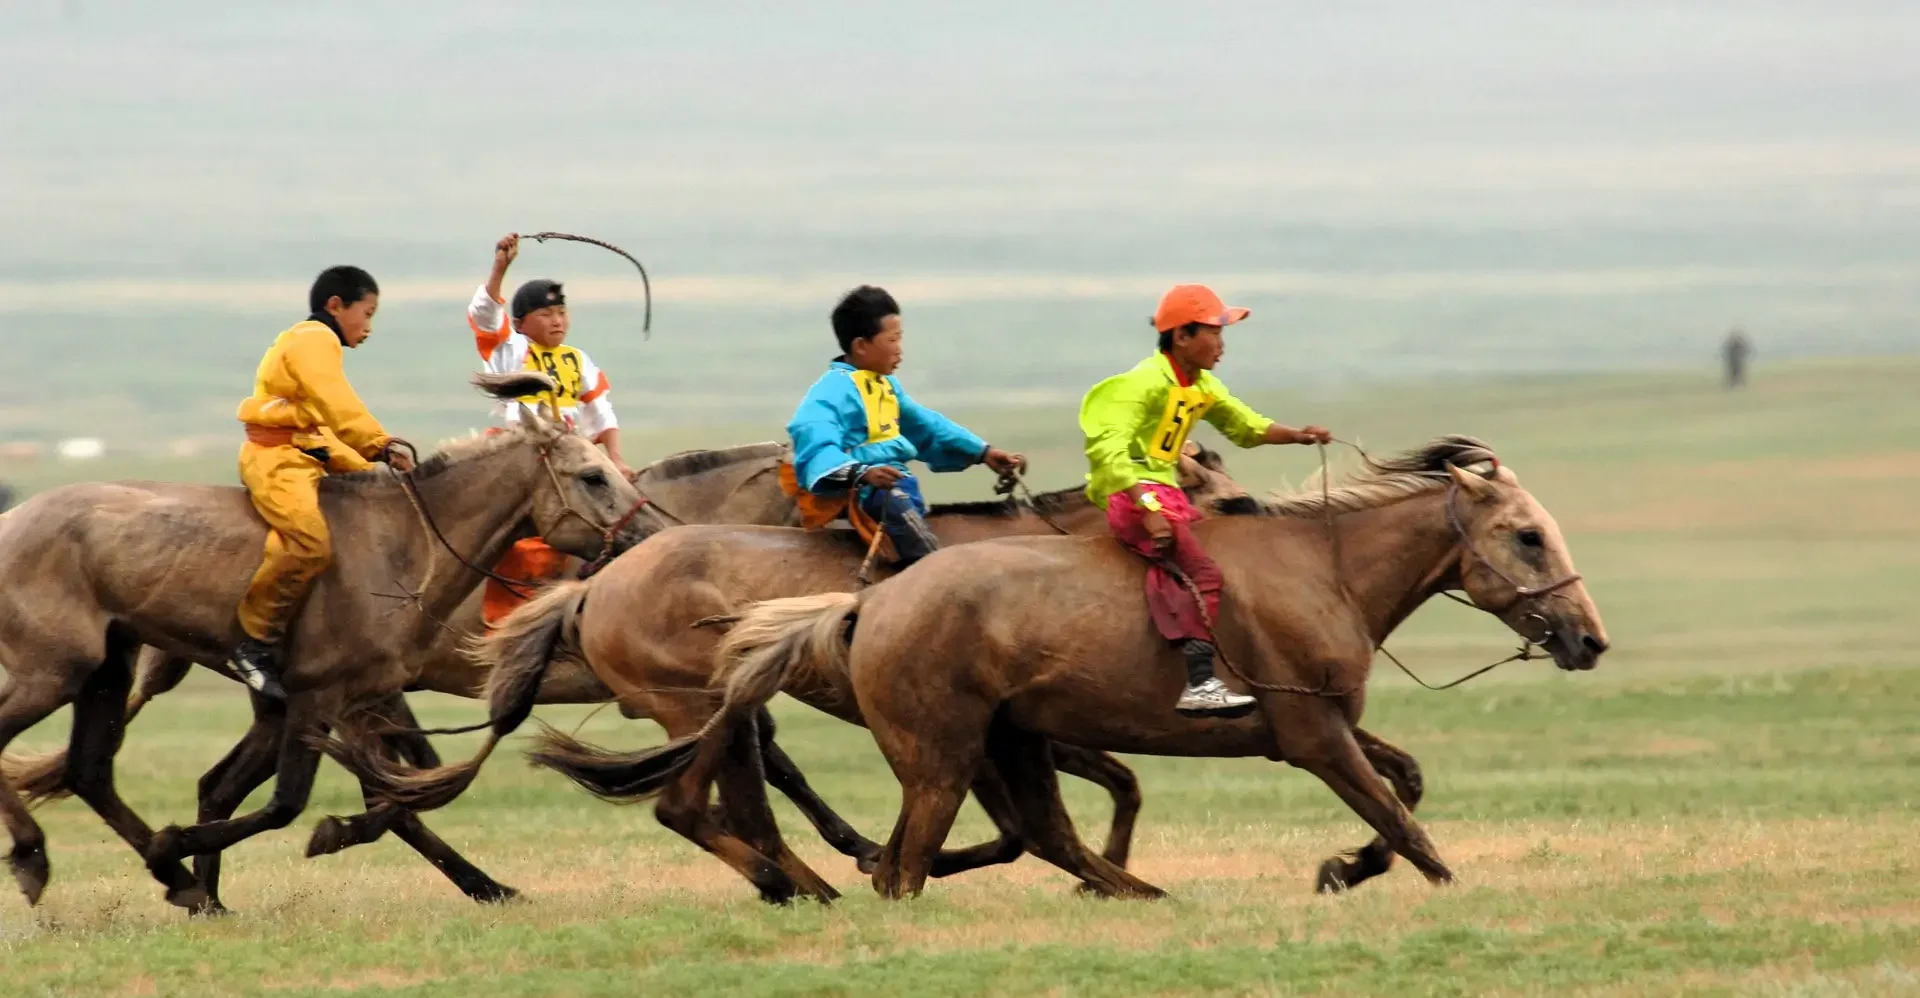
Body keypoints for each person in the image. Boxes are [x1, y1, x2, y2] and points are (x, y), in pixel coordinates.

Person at [1080, 284, 1331, 718]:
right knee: (1201, 572)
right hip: (1137, 494)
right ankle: (1199, 682)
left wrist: (1297, 435)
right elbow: (1108, 451)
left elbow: (1245, 427)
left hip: (1169, 492)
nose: (1222, 346)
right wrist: (1147, 509)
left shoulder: (1200, 384)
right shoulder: (1140, 384)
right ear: (1182, 337)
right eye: (1214, 334)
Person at [232, 265, 412, 699]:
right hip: (276, 458)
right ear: (335, 306)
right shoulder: (315, 339)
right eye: (366, 314)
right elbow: (334, 399)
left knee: (375, 487)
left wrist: (374, 462)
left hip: (309, 446)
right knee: (309, 543)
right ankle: (253, 642)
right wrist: (378, 443)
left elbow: (323, 420)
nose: (368, 326)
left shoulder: (317, 341)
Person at [788, 285, 1024, 567]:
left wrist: (983, 452)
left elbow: (927, 426)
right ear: (861, 345)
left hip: (896, 483)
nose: (899, 351)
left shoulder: (886, 386)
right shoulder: (832, 389)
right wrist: (862, 473)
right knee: (927, 560)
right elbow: (813, 437)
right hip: (866, 492)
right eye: (892, 340)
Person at [467, 233, 633, 625]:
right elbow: (485, 315)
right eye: (546, 314)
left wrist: (617, 459)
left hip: (571, 454)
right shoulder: (511, 349)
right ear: (522, 323)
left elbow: (600, 413)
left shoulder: (578, 359)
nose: (557, 320)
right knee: (522, 539)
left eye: (561, 312)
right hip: (523, 453)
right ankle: (515, 618)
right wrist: (500, 269)